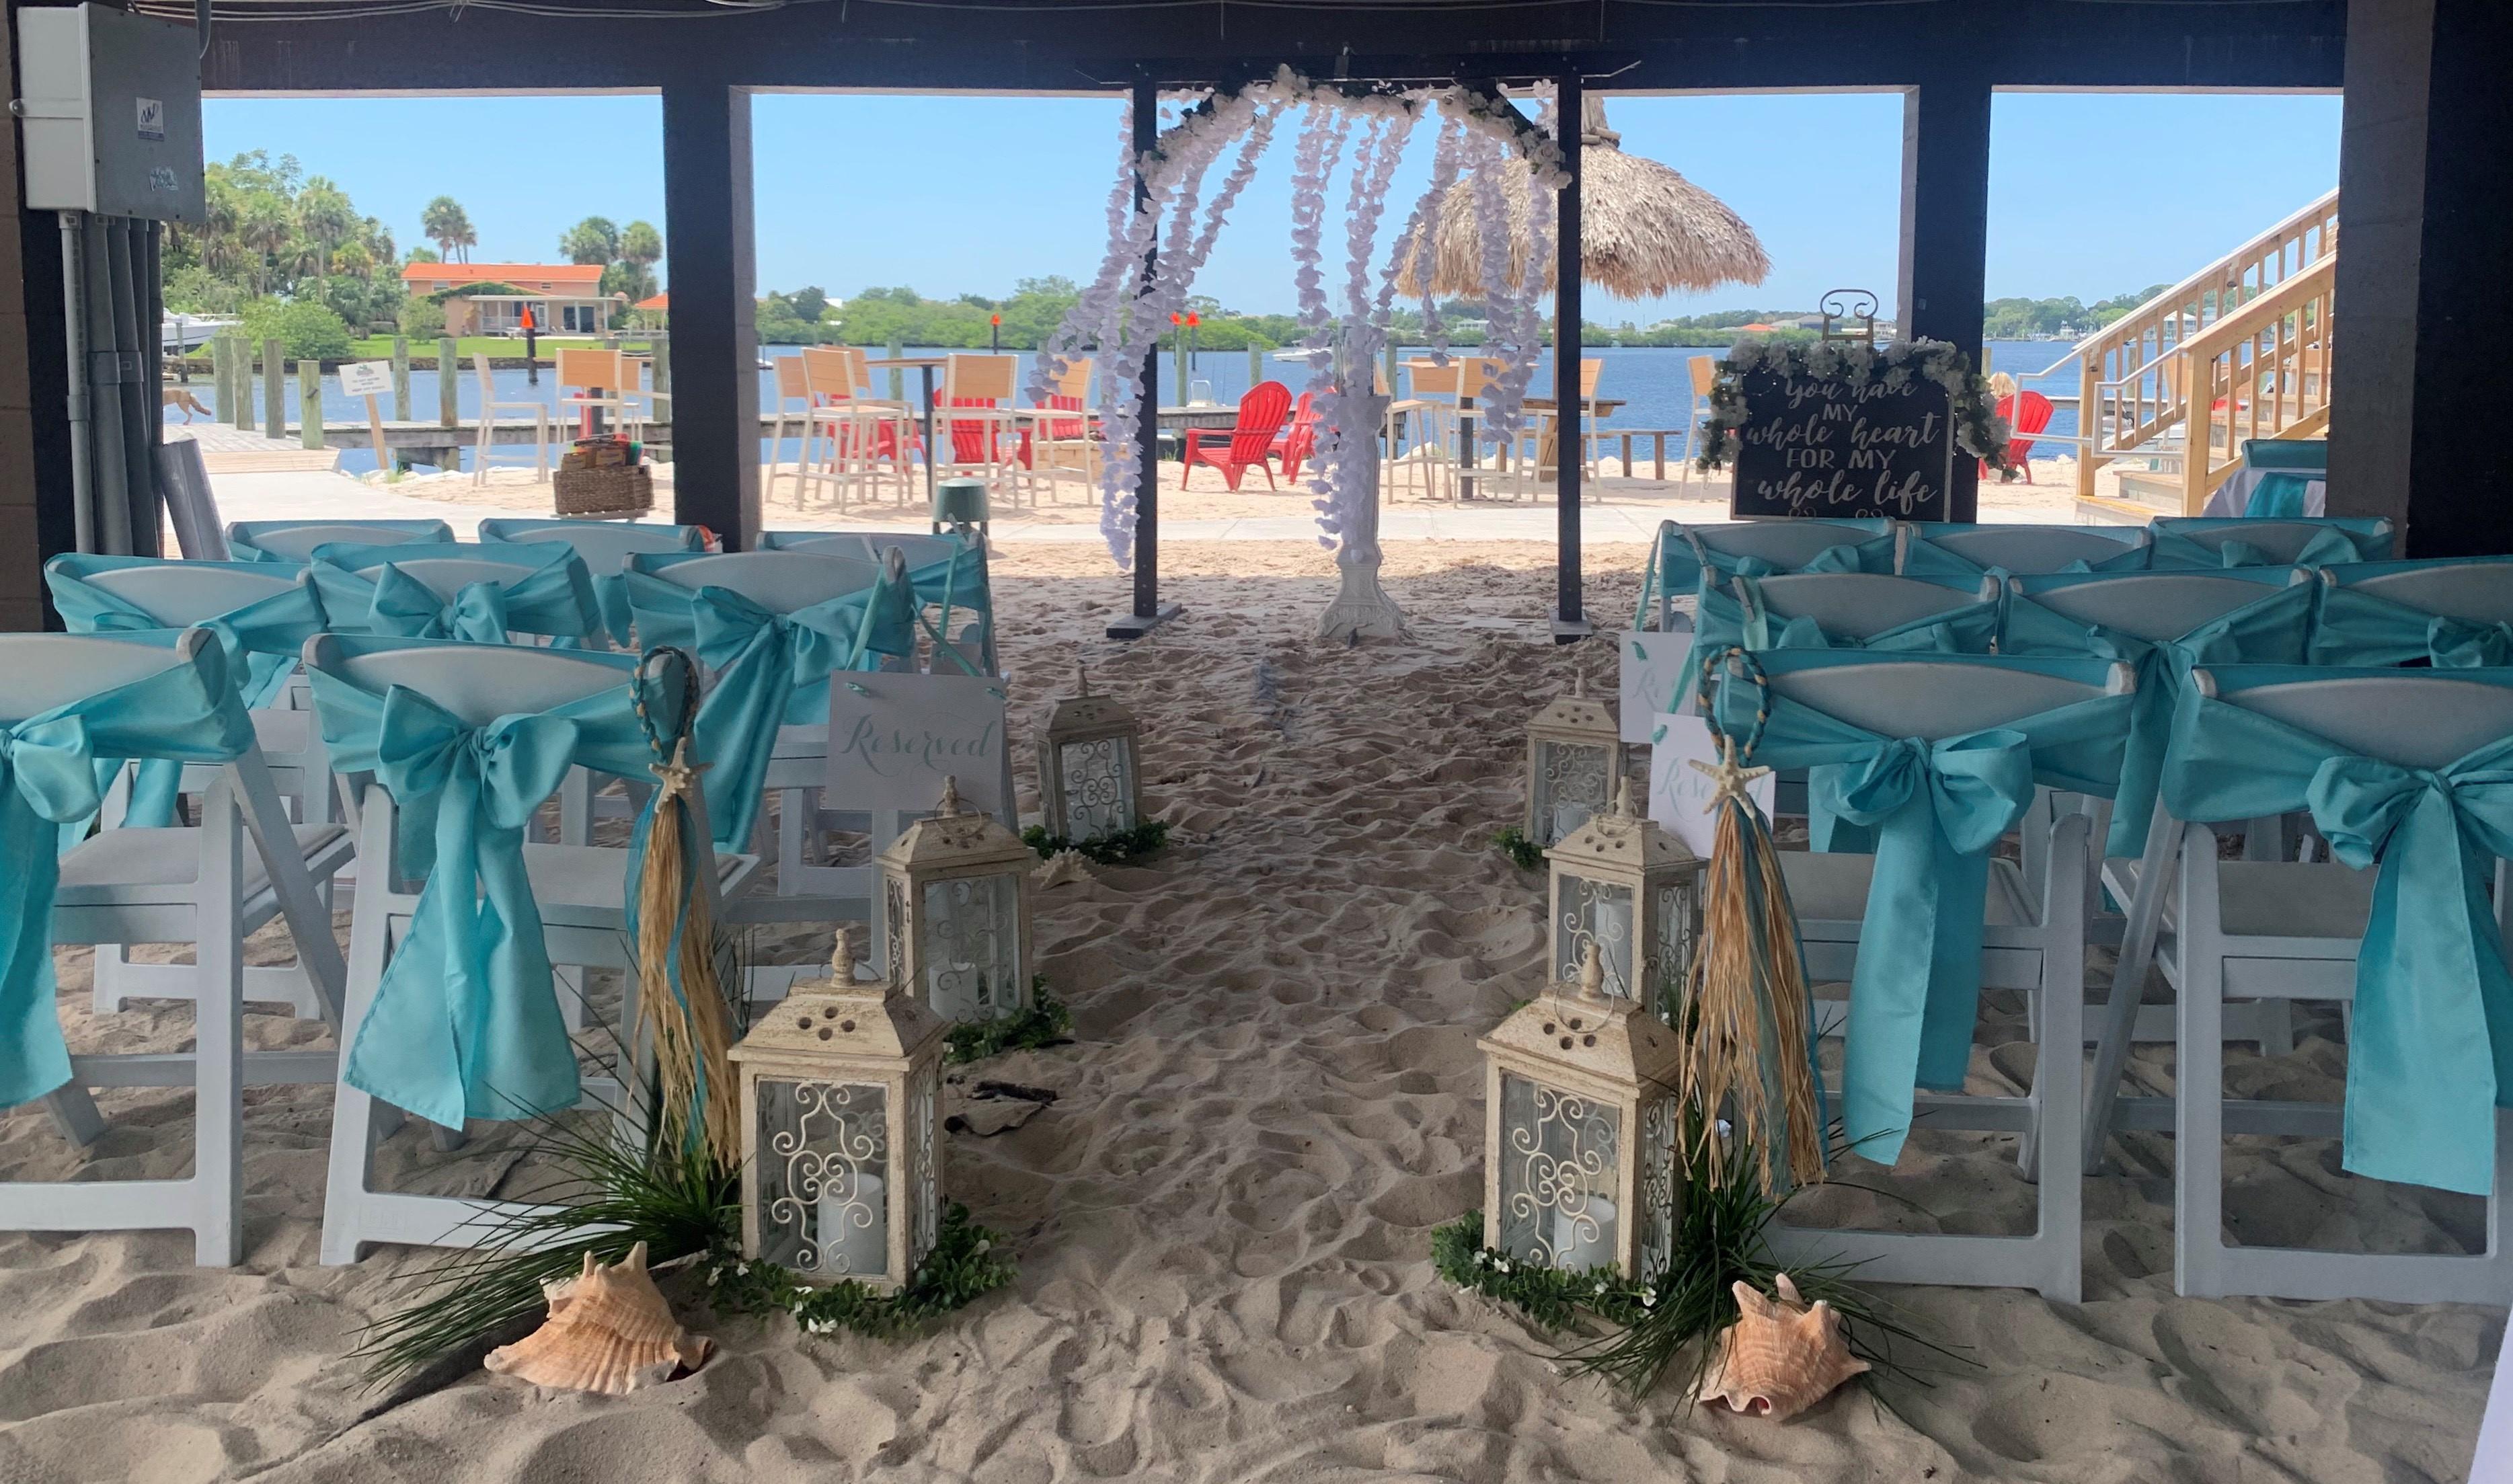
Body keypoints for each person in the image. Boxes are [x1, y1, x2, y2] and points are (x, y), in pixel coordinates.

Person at [520, 303, 539, 383]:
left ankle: (533, 376)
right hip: (530, 332)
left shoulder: (529, 313)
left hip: (530, 332)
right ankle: (533, 376)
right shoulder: (528, 313)